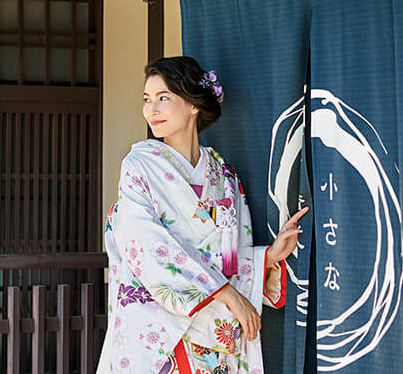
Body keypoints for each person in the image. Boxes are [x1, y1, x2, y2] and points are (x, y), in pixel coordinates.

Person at [97, 56, 308, 373]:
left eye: (163, 98)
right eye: (147, 99)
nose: (151, 110)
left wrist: (266, 257)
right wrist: (228, 295)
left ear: (193, 104)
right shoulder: (139, 165)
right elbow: (143, 244)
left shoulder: (224, 176)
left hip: (212, 333)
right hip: (159, 332)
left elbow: (227, 258)